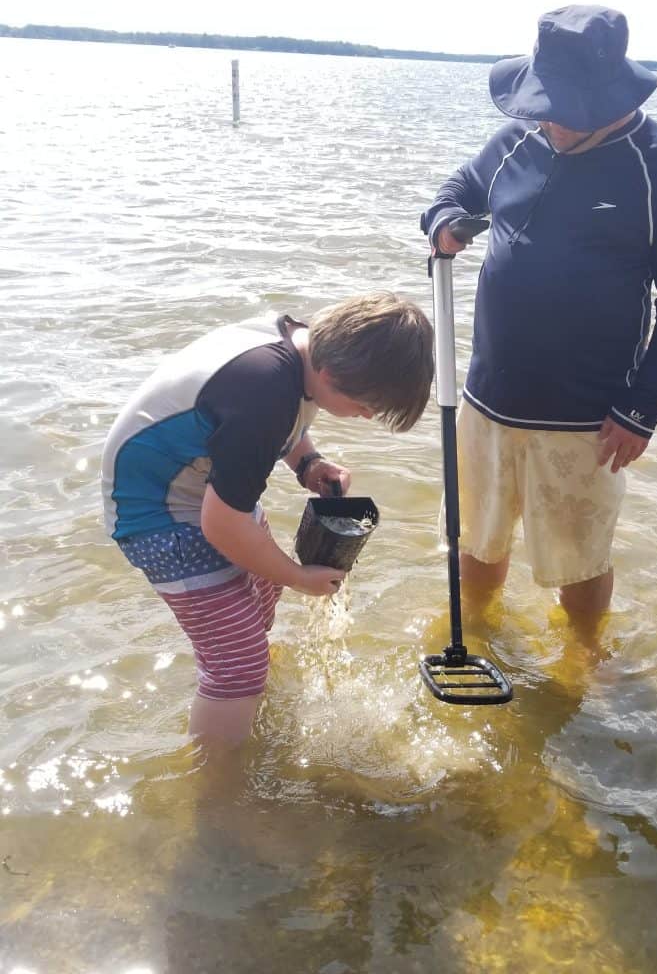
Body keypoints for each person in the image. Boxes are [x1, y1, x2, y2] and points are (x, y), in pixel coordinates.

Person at [421, 4, 657, 640]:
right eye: (540, 100)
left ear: (609, 98)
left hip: (589, 418)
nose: (545, 117)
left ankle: (583, 666)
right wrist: (443, 222)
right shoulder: (515, 141)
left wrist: (643, 408)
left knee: (579, 569)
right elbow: (458, 190)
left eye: (561, 105)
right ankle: (480, 636)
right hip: (486, 400)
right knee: (475, 544)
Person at [101, 293, 434, 743]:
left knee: (261, 592)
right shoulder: (264, 387)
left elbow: (275, 421)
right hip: (159, 513)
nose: (368, 414)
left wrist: (308, 462)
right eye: (365, 405)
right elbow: (222, 524)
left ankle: (246, 684)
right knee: (236, 668)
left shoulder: (303, 349)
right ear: (331, 374)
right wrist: (300, 576)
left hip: (205, 485)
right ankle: (220, 791)